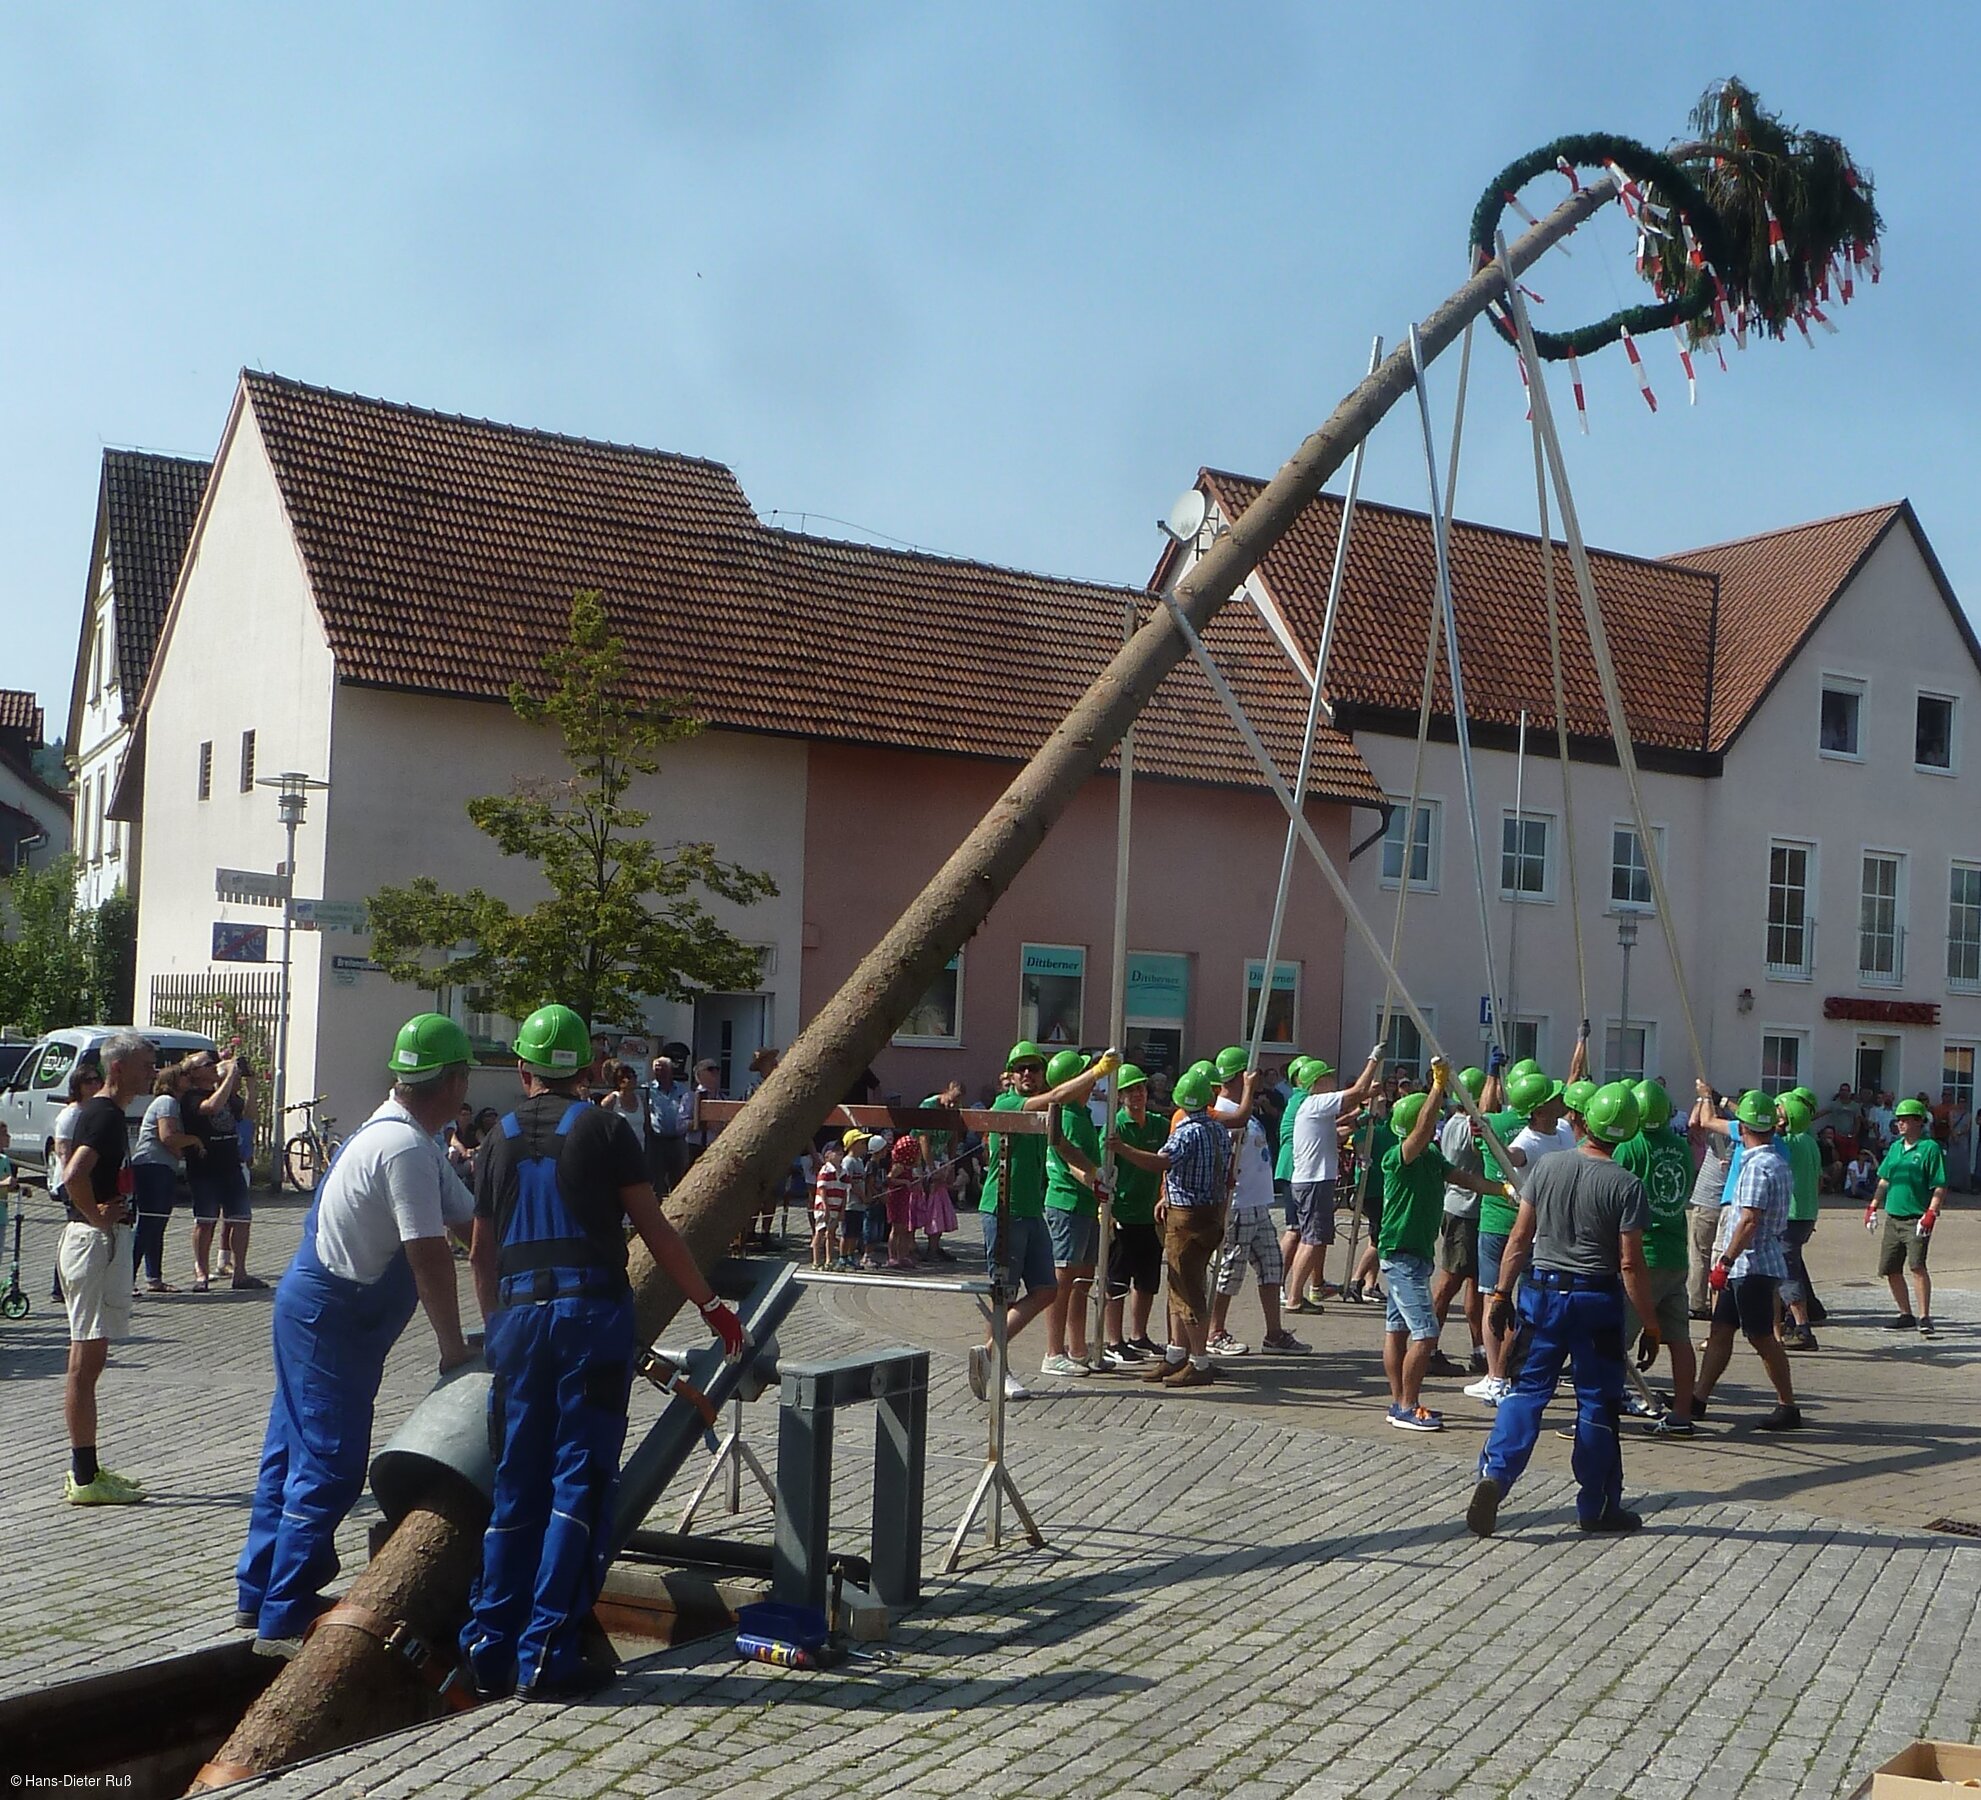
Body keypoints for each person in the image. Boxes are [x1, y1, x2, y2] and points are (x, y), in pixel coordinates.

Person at [461, 1004, 746, 1701]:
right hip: (589, 1320)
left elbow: (480, 1253)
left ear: (522, 1068)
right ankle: (546, 1653)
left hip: (520, 1322)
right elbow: (657, 1230)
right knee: (577, 1481)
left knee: (516, 1479)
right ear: (588, 1068)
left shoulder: (492, 1138)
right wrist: (712, 1308)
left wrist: (495, 1328)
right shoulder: (606, 1128)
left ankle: (488, 1645)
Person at [235, 1015, 482, 1654]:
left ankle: (258, 1589)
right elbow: (429, 1252)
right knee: (330, 1463)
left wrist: (507, 1304)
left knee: (290, 1453)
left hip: (321, 1312)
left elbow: (472, 1228)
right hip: (329, 1318)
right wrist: (455, 1348)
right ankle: (283, 1613)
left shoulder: (407, 1138)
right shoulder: (401, 1149)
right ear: (453, 1081)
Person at [1466, 1081, 1658, 1536]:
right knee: (1596, 1403)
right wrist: (1650, 1325)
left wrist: (1499, 1295)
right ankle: (1597, 1505)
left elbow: (1518, 1239)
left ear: (1584, 1120)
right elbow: (1630, 1263)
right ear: (1627, 1133)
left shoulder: (1548, 1166)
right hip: (1596, 1301)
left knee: (1527, 1392)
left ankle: (1495, 1475)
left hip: (1542, 1294)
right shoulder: (1626, 1185)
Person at [967, 1042, 1112, 1401]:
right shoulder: (1009, 1104)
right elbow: (1056, 1097)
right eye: (1021, 1069)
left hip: (1032, 1210)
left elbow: (1061, 1145)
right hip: (1002, 1209)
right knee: (1003, 1293)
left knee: (1047, 1289)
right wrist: (1096, 1072)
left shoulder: (1049, 1111)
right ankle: (996, 1364)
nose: (1027, 1074)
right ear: (1011, 1076)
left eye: (1034, 1067)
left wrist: (1093, 1174)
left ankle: (988, 1352)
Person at [1381, 1065, 1515, 1432]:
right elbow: (1422, 1131)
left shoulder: (1432, 1159)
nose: (1436, 1125)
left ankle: (1398, 1402)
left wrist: (1502, 1188)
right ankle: (1407, 1405)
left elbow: (1466, 1178)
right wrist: (1437, 1088)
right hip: (1401, 1255)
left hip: (1414, 1255)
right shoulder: (1400, 1157)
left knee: (1397, 1331)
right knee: (1425, 1333)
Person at [57, 1032, 156, 1504]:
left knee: (92, 1359)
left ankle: (88, 1467)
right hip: (91, 1242)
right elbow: (72, 1175)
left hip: (103, 1240)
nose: (151, 1072)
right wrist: (95, 1216)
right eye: (144, 1064)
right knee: (85, 1360)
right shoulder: (102, 1114)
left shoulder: (111, 1115)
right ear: (118, 1069)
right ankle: (83, 1476)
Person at [1690, 1089, 1802, 1430]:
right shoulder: (1777, 1160)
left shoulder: (1755, 1167)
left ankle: (1788, 1405)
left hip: (1751, 1264)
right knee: (1721, 1329)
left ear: (1745, 1127)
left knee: (1760, 1337)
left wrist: (1724, 1261)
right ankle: (1698, 1397)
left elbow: (1749, 1220)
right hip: (1753, 1263)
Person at [1116, 1066, 1231, 1389]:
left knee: (1187, 1288)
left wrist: (1123, 1149)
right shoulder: (1218, 1129)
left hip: (1186, 1217)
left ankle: (1199, 1361)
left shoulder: (1185, 1131)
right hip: (1210, 1214)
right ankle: (1177, 1354)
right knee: (1181, 1285)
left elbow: (1161, 1162)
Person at [1613, 1078, 1699, 1434]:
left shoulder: (1629, 1147)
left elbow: (1613, 1195)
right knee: (1679, 1336)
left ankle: (1601, 1413)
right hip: (1675, 1251)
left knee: (1614, 1339)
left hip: (1641, 1254)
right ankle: (1682, 1412)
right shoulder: (1680, 1147)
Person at [1206, 1049, 1303, 1356]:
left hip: (1259, 1203)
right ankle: (1214, 1331)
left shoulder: (1246, 1108)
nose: (1257, 1078)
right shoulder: (1224, 1110)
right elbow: (1237, 1124)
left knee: (1272, 1267)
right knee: (1230, 1271)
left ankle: (1274, 1334)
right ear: (1237, 1077)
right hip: (1238, 1205)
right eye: (1251, 1074)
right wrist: (1248, 1091)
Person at [1282, 1046, 1384, 1318]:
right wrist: (1373, 1060)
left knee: (1311, 1238)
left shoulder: (1314, 1109)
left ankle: (1297, 1293)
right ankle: (1294, 1296)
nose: (1332, 1081)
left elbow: (1336, 1134)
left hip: (1313, 1179)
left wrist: (1361, 1120)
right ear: (1317, 1083)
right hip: (1314, 1180)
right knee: (1312, 1239)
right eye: (1327, 1077)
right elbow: (1357, 1093)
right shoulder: (1315, 1102)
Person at [1039, 1047, 1119, 1376]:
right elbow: (1070, 1160)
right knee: (1064, 1279)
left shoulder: (1082, 1114)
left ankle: (1078, 1347)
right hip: (1067, 1203)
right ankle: (1053, 1351)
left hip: (1085, 1204)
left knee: (1083, 1279)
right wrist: (1095, 1180)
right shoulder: (1068, 1115)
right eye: (1085, 1073)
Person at [1867, 1096, 1948, 1336]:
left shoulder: (1930, 1148)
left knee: (1916, 1265)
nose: (1900, 1124)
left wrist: (1931, 1213)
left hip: (1916, 1217)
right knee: (1890, 1268)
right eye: (1898, 1120)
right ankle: (1905, 1314)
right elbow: (1885, 1179)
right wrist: (1873, 1206)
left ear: (1918, 1122)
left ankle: (1924, 1316)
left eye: (1904, 1120)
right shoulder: (1895, 1148)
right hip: (1894, 1216)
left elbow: (1940, 1185)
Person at [1102, 1064, 1166, 1365]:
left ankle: (1139, 1336)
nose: (1137, 1095)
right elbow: (1102, 1170)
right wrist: (1107, 1211)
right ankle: (1113, 1341)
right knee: (1116, 1281)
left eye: (1140, 1089)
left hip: (1150, 1215)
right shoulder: (1113, 1128)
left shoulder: (1157, 1124)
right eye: (1130, 1091)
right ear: (1121, 1096)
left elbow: (1167, 1160)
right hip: (1123, 1214)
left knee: (1147, 1281)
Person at [186, 1048, 262, 1291]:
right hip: (205, 1167)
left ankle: (240, 1272)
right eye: (208, 1064)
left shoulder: (228, 1095)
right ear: (195, 1072)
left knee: (241, 1218)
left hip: (231, 1164)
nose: (214, 1066)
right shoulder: (191, 1095)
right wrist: (229, 1075)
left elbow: (248, 1116)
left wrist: (250, 1085)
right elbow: (211, 1107)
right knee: (205, 1221)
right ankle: (202, 1273)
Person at [132, 1057, 201, 1294]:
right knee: (148, 1223)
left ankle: (154, 1278)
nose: (187, 1078)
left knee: (158, 1224)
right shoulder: (167, 1102)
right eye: (183, 1075)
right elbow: (167, 1137)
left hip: (163, 1166)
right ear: (173, 1080)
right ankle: (126, 1279)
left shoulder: (173, 1103)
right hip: (153, 1167)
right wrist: (193, 1141)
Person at [49, 1056, 105, 1301]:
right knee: (77, 1228)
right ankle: (60, 1287)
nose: (94, 1085)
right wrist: (75, 1180)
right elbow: (63, 1150)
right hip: (71, 1180)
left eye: (97, 1080)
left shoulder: (95, 1110)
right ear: (78, 1085)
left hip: (90, 1179)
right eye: (89, 1081)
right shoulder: (71, 1114)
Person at [1776, 1091, 1824, 1351]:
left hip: (1791, 1215)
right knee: (1791, 1264)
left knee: (1787, 1272)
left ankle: (1803, 1328)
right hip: (1806, 1213)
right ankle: (1794, 1318)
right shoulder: (1810, 1141)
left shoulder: (1789, 1143)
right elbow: (1818, 1180)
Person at [914, 1079, 965, 1261]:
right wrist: (929, 1169)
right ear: (945, 1091)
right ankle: (910, 1247)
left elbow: (953, 1137)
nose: (952, 1104)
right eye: (951, 1100)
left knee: (938, 1203)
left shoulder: (954, 1111)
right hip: (920, 1159)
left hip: (940, 1159)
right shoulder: (929, 1106)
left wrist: (951, 1163)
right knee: (917, 1203)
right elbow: (923, 1139)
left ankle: (934, 1246)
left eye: (957, 1101)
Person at [644, 1057, 692, 1197]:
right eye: (656, 1070)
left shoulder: (682, 1090)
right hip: (656, 1141)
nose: (659, 1072)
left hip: (678, 1140)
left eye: (662, 1069)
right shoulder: (647, 1090)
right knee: (657, 1180)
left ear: (670, 1070)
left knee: (679, 1179)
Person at [810, 1136, 851, 1270]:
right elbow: (822, 1190)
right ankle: (816, 1261)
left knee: (831, 1233)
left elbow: (845, 1191)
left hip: (836, 1206)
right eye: (836, 1151)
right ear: (827, 1155)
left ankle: (829, 1260)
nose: (840, 1153)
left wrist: (842, 1209)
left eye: (841, 1151)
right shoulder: (825, 1170)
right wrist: (825, 1208)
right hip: (823, 1207)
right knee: (820, 1231)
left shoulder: (844, 1172)